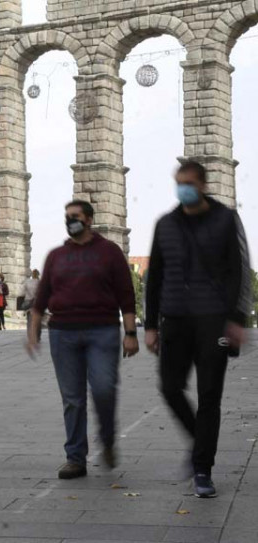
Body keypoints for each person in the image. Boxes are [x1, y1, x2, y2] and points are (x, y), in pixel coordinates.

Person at [144, 161, 253, 498]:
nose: (183, 189)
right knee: (170, 388)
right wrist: (149, 325)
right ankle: (199, 444)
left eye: (189, 183)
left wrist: (237, 318)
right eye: (179, 183)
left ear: (204, 185)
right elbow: (154, 277)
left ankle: (203, 469)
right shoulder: (165, 224)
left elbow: (240, 270)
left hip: (213, 321)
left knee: (209, 396)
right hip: (174, 319)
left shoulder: (226, 219)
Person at [26, 200, 139, 480]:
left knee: (102, 388)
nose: (70, 221)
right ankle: (75, 458)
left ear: (89, 219)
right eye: (67, 217)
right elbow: (41, 300)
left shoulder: (109, 252)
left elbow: (126, 296)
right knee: (72, 399)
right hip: (63, 333)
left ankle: (108, 438)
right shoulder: (55, 256)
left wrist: (131, 334)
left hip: (102, 331)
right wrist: (33, 332)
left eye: (75, 216)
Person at [21, 269, 41, 340]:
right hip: (37, 302)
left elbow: (22, 292)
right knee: (38, 319)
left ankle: (30, 335)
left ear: (32, 275)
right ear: (38, 275)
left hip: (28, 302)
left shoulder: (27, 282)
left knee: (29, 320)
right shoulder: (40, 282)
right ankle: (37, 336)